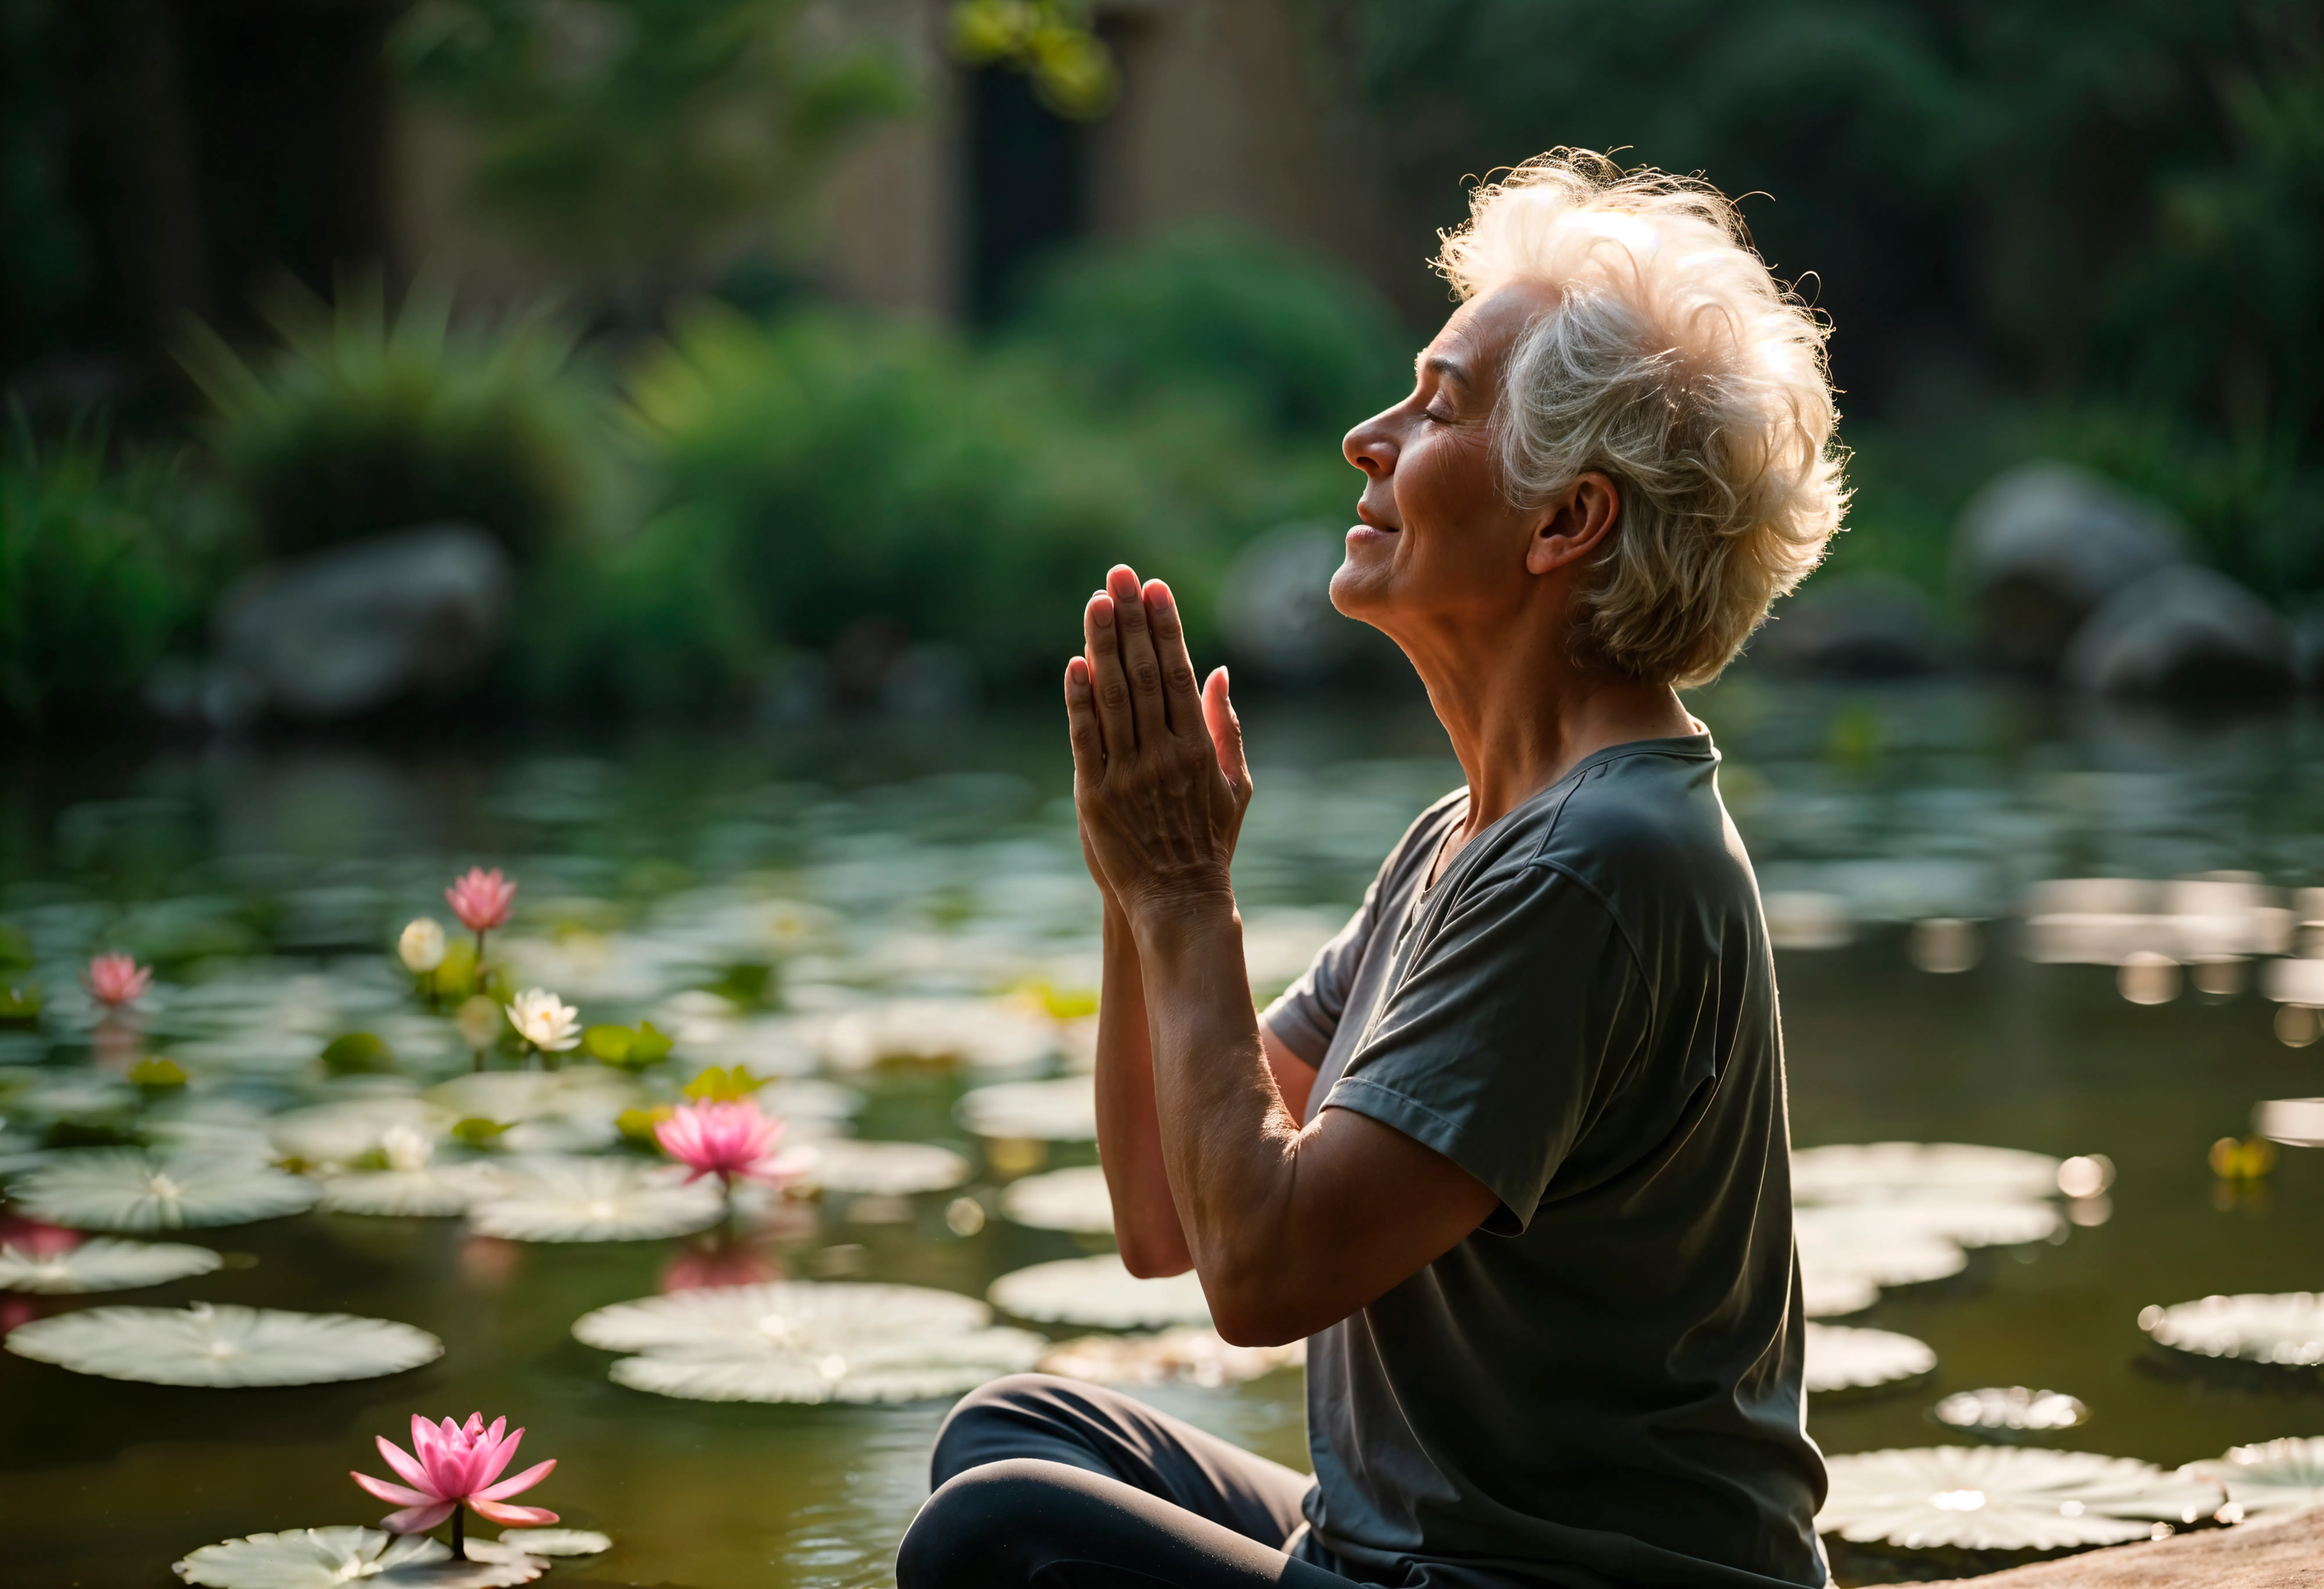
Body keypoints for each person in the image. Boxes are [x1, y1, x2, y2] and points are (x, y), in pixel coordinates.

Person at [897, 148, 1846, 1589]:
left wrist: (1184, 897)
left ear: (1565, 520)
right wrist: (1131, 873)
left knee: (998, 1535)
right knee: (1014, 1433)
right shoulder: (1467, 840)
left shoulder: (1591, 864)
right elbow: (1167, 1214)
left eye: (1437, 405)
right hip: (1410, 1556)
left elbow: (1262, 1276)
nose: (1368, 433)